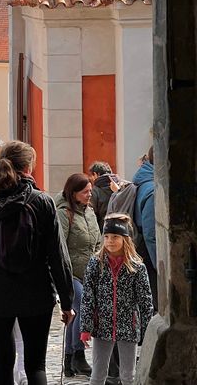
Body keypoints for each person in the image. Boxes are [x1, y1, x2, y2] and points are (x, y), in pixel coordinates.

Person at [0, 140, 74, 385]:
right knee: (36, 365)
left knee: (3, 363)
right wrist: (67, 302)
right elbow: (58, 255)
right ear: (27, 168)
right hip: (36, 293)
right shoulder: (42, 202)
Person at [80, 214, 154, 385]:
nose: (110, 241)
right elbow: (88, 298)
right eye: (106, 237)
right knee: (98, 374)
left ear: (125, 239)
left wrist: (145, 330)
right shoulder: (95, 263)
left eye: (115, 237)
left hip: (129, 326)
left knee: (128, 375)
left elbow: (145, 300)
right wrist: (86, 327)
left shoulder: (137, 267)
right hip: (102, 325)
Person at [55, 173, 101, 377]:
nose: (89, 194)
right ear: (73, 194)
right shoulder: (64, 214)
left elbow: (98, 239)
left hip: (90, 271)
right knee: (81, 305)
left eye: (90, 191)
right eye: (85, 192)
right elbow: (60, 245)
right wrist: (63, 272)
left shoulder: (90, 212)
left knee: (79, 312)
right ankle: (77, 355)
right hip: (70, 272)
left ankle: (69, 358)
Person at [132, 146, 158, 310]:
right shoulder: (153, 190)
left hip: (143, 249)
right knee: (155, 305)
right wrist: (160, 265)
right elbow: (151, 234)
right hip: (149, 252)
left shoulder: (143, 181)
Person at [88, 161, 122, 228]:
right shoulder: (120, 184)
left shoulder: (96, 189)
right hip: (121, 225)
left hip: (104, 228)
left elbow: (92, 213)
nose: (91, 178)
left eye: (91, 175)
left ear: (95, 174)